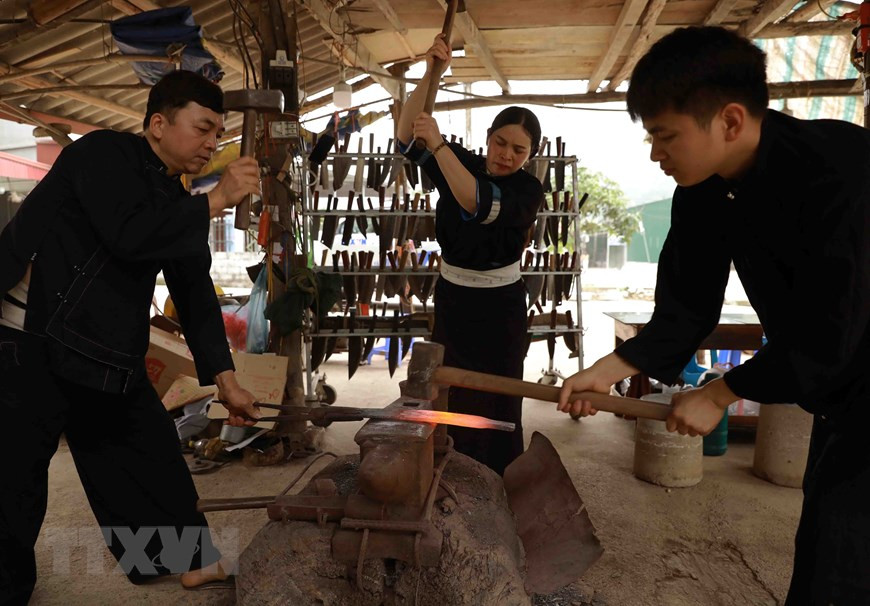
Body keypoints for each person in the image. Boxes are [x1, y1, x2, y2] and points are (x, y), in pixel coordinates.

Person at [557, 26, 870, 604]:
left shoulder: (842, 173)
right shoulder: (704, 188)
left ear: (728, 121)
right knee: (826, 551)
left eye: (665, 136)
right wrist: (608, 369)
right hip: (842, 402)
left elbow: (832, 333)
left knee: (842, 571)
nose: (656, 153)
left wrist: (721, 393)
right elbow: (687, 304)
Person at [0, 70, 266, 604]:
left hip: (98, 348)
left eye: (219, 132)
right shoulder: (103, 156)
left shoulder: (176, 195)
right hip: (26, 337)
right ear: (158, 124)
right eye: (203, 128)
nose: (212, 143)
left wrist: (227, 380)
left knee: (150, 450)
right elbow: (129, 233)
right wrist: (214, 202)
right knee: (15, 475)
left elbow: (193, 291)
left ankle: (188, 561)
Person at [398, 34, 544, 475]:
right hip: (454, 301)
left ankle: (498, 485)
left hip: (500, 310)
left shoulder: (526, 189)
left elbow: (476, 203)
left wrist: (440, 147)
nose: (506, 155)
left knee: (499, 401)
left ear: (531, 155)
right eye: (500, 142)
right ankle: (454, 479)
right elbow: (407, 134)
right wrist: (431, 74)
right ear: (488, 137)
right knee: (451, 396)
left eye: (519, 150)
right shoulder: (460, 162)